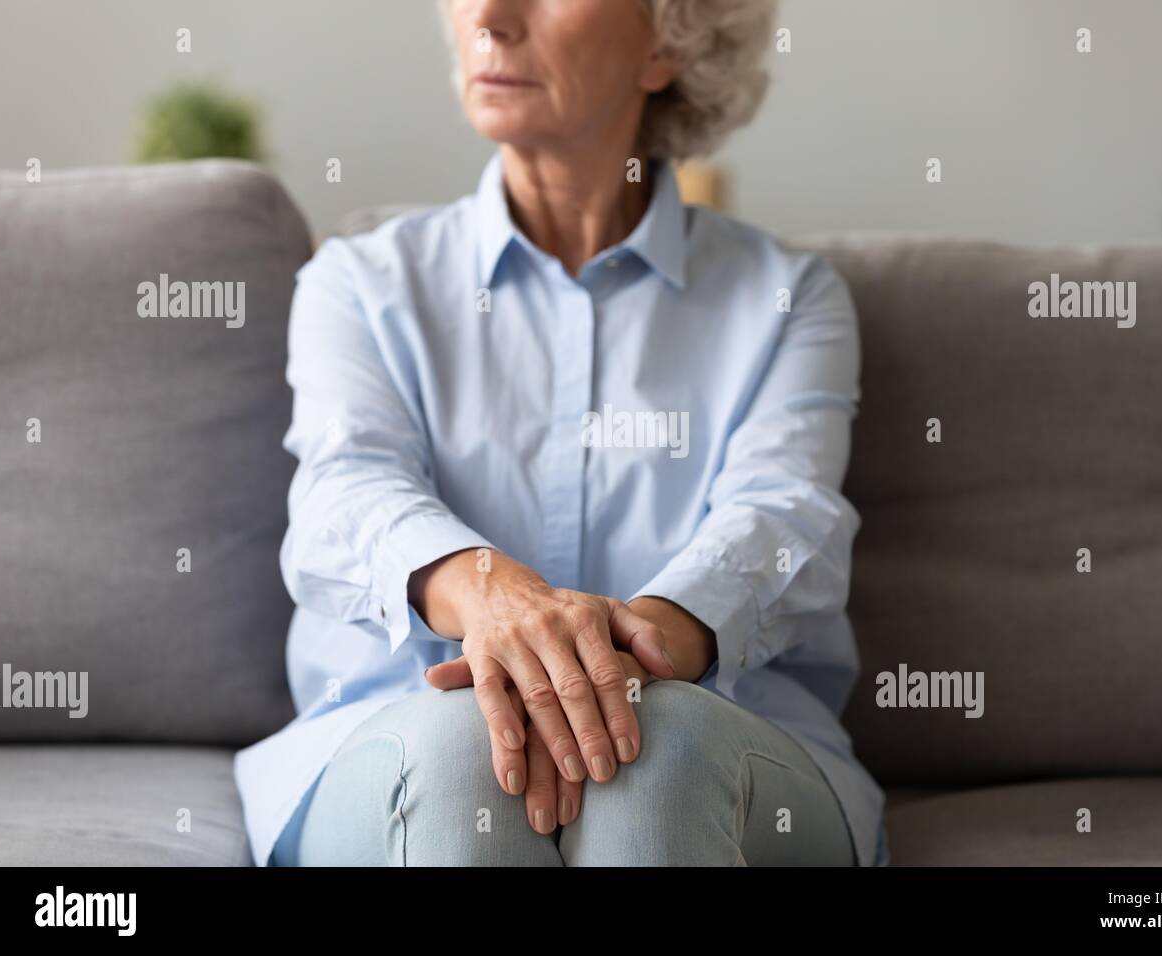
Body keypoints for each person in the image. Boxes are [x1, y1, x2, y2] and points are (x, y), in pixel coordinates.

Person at [234, 0, 887, 867]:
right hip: (393, 735)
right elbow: (343, 491)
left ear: (668, 38)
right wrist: (491, 598)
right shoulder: (358, 284)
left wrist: (624, 657)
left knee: (658, 747)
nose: (491, 18)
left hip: (723, 743)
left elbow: (786, 516)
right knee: (466, 746)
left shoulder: (789, 298)